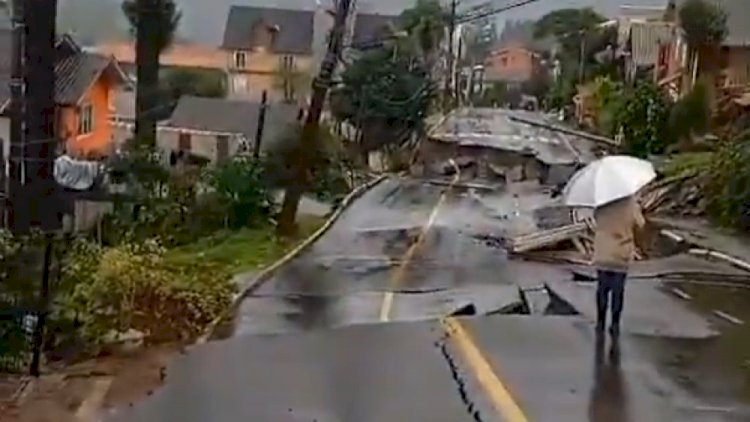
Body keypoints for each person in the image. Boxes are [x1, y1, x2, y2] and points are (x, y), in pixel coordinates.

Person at [592, 195, 646, 337]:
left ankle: (600, 321)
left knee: (602, 288)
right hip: (621, 252)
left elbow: (596, 219)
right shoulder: (630, 203)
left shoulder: (601, 202)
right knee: (618, 290)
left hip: (603, 250)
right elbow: (641, 223)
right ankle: (614, 324)